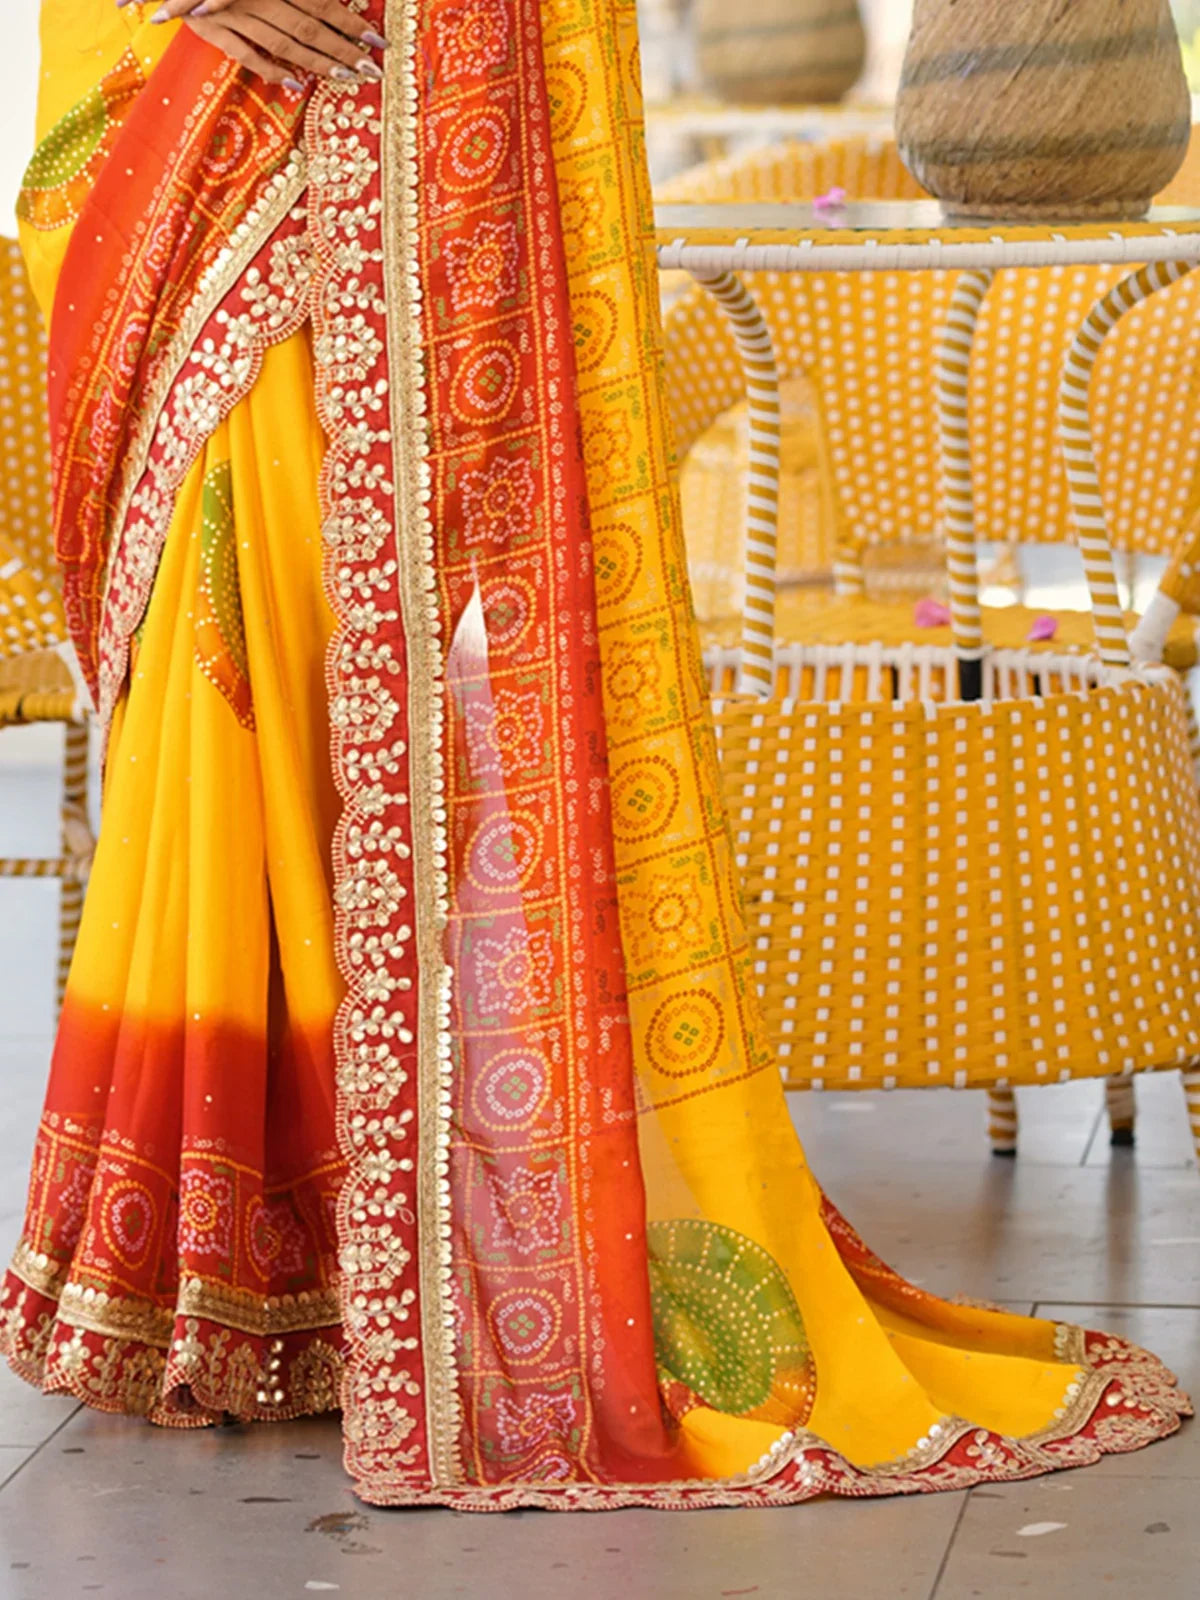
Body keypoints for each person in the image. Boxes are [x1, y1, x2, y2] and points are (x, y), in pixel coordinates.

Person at [0, 0, 1188, 1510]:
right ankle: (238, 1264)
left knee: (402, 670)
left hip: (447, 106)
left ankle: (401, 1282)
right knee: (250, 625)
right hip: (211, 112)